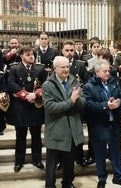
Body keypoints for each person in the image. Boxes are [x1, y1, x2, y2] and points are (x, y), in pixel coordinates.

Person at [83, 60, 121, 188]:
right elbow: (88, 105)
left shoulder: (114, 83)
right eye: (105, 71)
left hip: (114, 123)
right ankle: (102, 178)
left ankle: (118, 177)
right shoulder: (89, 86)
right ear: (97, 72)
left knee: (116, 152)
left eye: (108, 71)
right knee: (100, 153)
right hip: (98, 125)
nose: (108, 73)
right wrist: (106, 105)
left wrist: (119, 103)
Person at [42, 56, 86, 188]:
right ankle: (50, 185)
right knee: (52, 162)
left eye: (67, 66)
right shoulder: (48, 85)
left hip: (72, 128)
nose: (66, 69)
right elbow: (50, 107)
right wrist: (71, 101)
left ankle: (67, 183)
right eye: (63, 67)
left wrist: (77, 99)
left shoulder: (74, 81)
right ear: (55, 69)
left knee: (69, 161)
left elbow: (83, 103)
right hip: (56, 128)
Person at [7, 45, 48, 172]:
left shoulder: (40, 69)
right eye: (28, 54)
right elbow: (11, 84)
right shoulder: (14, 68)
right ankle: (19, 161)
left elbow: (46, 83)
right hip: (20, 106)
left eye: (32, 54)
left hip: (36, 105)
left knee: (36, 135)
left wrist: (35, 94)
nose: (31, 57)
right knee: (21, 135)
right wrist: (25, 95)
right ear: (21, 56)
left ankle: (37, 160)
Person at [58, 40, 90, 169]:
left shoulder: (80, 65)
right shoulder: (57, 64)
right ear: (62, 51)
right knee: (62, 134)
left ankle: (79, 157)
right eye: (67, 50)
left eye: (71, 50)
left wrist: (79, 91)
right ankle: (61, 160)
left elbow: (87, 82)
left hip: (76, 104)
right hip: (63, 104)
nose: (70, 53)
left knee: (77, 133)